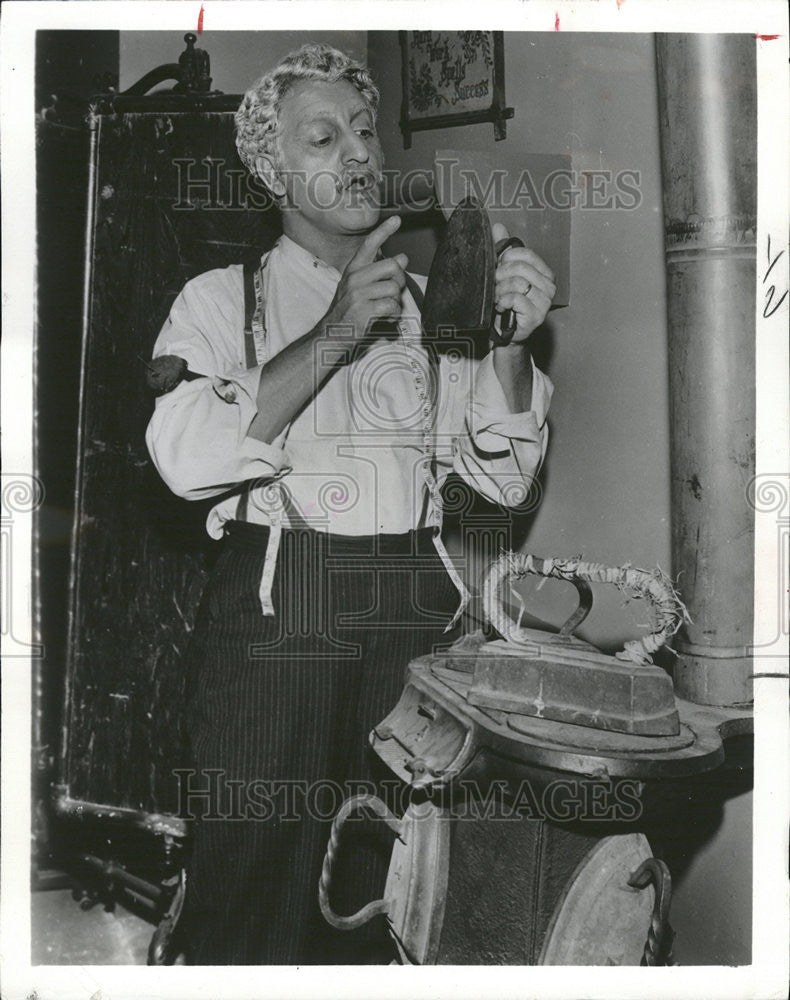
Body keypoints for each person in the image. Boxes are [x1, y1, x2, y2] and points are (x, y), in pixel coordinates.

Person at [145, 42, 555, 965]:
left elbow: (502, 483)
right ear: (271, 170)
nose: (361, 152)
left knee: (390, 877)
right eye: (324, 137)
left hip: (411, 612)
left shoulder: (430, 304)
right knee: (251, 875)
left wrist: (511, 347)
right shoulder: (219, 302)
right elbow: (180, 459)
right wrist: (334, 332)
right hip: (276, 613)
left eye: (365, 130)